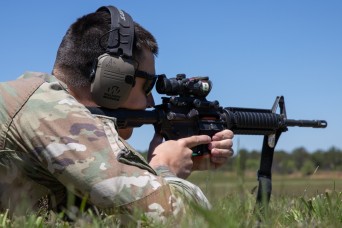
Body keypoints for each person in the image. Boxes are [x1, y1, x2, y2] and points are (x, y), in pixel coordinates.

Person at [0, 5, 234, 222]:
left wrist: (167, 168)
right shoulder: (51, 111)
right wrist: (166, 170)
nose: (151, 101)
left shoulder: (35, 99)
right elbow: (182, 219)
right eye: (147, 85)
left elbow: (99, 214)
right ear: (113, 78)